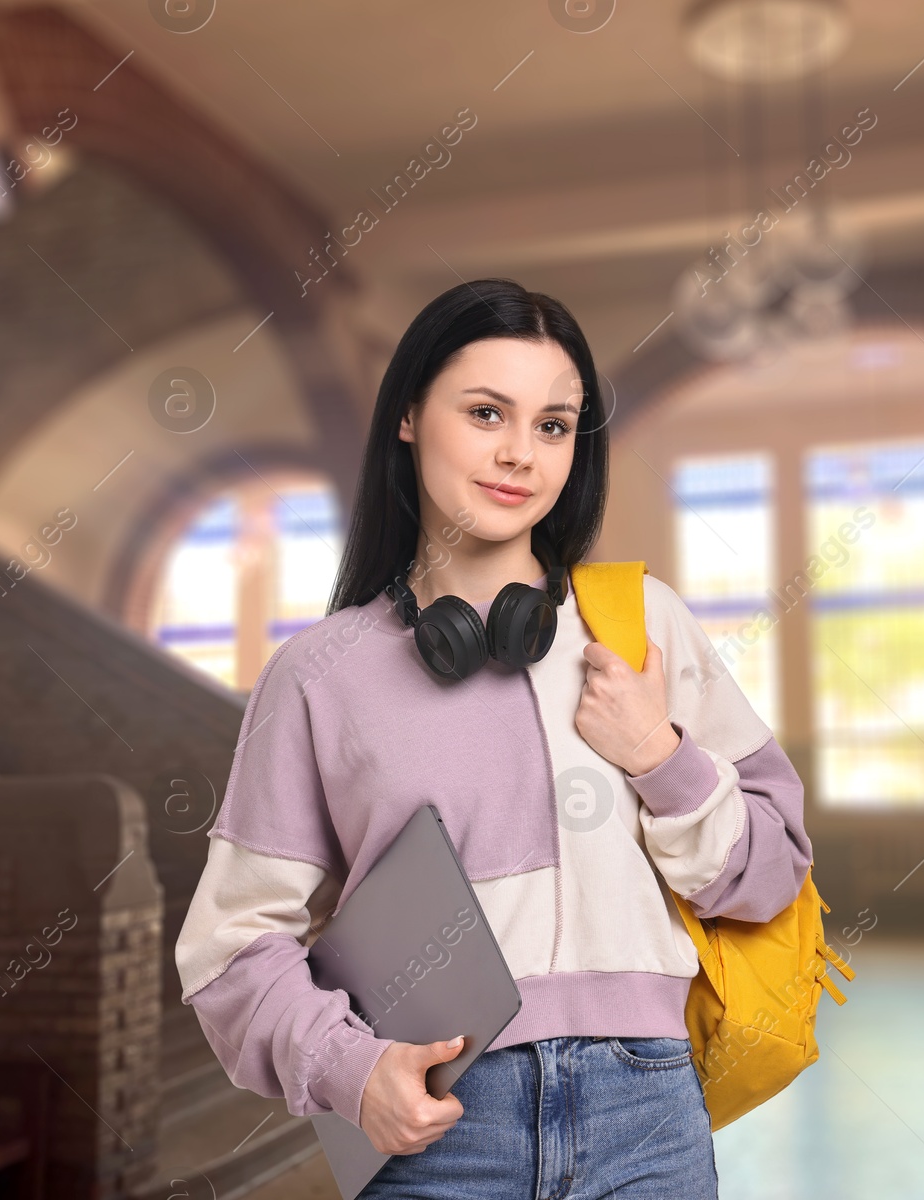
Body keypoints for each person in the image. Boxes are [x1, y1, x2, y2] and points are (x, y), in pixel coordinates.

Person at [174, 279, 812, 1198]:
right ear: (407, 417)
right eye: (485, 413)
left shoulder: (642, 629)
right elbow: (231, 947)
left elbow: (770, 875)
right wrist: (350, 1070)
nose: (521, 454)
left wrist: (660, 757)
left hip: (650, 1118)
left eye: (553, 426)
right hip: (441, 1126)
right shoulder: (319, 678)